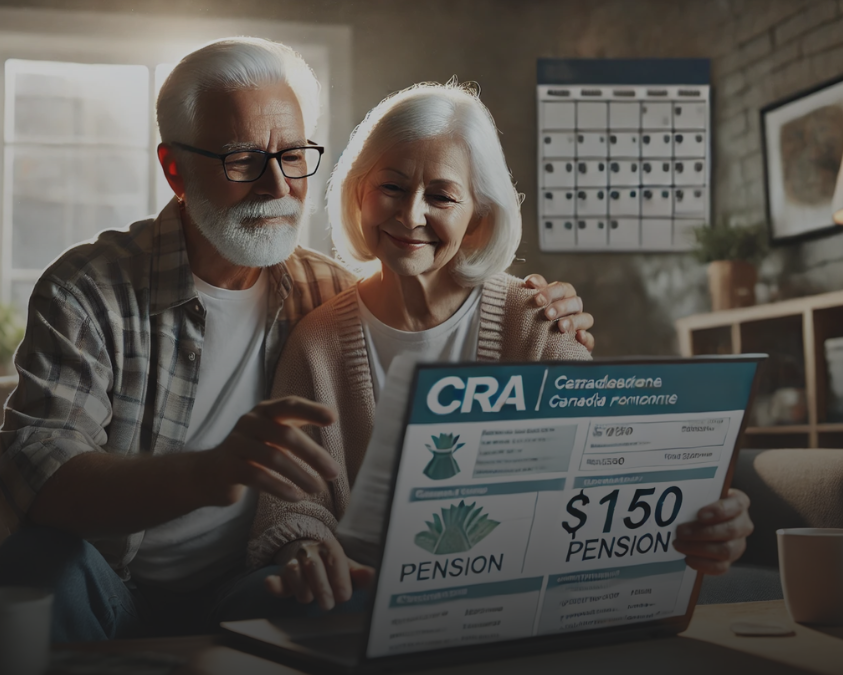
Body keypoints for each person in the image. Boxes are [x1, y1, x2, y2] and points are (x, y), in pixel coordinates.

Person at [0, 39, 596, 643]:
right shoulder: (89, 291)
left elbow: (425, 285)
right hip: (109, 581)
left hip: (246, 583)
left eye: (294, 156)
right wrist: (206, 474)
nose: (277, 187)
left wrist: (548, 307)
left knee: (348, 603)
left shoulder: (323, 293)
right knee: (35, 569)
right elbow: (39, 472)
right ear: (176, 169)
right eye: (243, 159)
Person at [247, 82, 755, 613]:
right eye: (391, 187)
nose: (411, 214)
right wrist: (305, 548)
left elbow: (606, 472)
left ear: (478, 219)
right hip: (363, 597)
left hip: (513, 594)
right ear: (358, 192)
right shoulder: (317, 341)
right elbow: (290, 507)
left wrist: (701, 510)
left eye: (442, 196)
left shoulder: (537, 321)